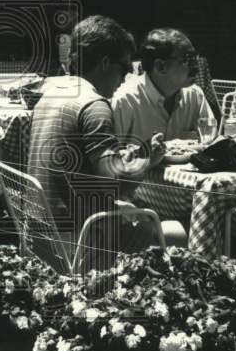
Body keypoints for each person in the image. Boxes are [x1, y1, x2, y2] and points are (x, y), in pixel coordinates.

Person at [26, 15, 168, 233]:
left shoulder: (51, 95)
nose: (126, 78)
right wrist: (146, 160)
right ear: (104, 63)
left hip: (39, 233)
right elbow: (112, 187)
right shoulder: (94, 105)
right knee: (178, 230)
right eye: (125, 68)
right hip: (82, 240)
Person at [111, 28, 215, 144]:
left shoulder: (195, 95)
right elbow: (110, 158)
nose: (196, 66)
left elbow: (209, 142)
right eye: (187, 58)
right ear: (161, 66)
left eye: (195, 57)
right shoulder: (124, 101)